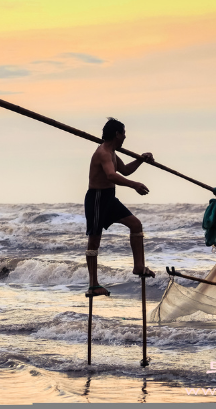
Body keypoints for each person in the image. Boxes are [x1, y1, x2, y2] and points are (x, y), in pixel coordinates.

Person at [84, 118, 156, 297]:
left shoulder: (112, 152)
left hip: (109, 197)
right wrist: (135, 185)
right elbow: (111, 175)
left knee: (136, 225)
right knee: (94, 242)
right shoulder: (103, 153)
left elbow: (124, 170)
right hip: (97, 198)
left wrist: (141, 159)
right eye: (123, 133)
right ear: (117, 134)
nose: (125, 137)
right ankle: (93, 284)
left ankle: (138, 266)